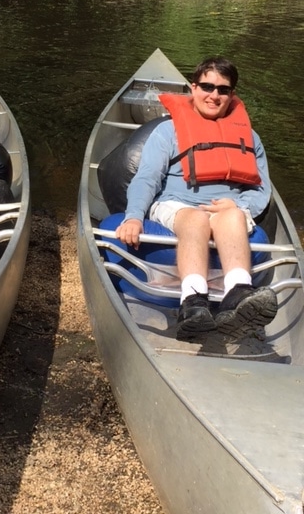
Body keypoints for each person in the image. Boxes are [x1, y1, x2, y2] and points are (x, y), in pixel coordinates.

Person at [116, 56, 278, 340]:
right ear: (193, 88)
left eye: (223, 90)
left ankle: (238, 294)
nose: (214, 95)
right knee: (196, 219)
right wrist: (133, 216)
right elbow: (147, 178)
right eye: (207, 86)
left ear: (232, 95)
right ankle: (193, 301)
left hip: (228, 208)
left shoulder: (250, 137)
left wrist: (241, 206)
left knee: (233, 215)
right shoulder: (167, 131)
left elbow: (262, 188)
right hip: (177, 206)